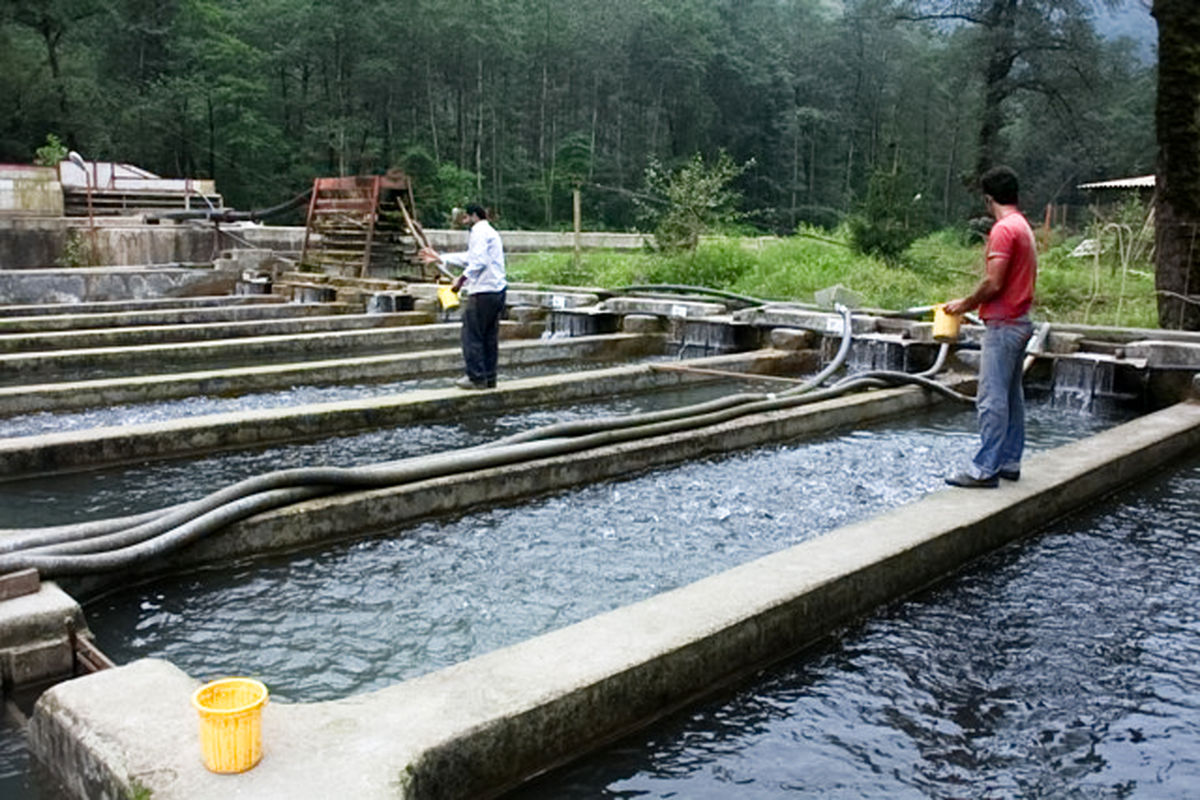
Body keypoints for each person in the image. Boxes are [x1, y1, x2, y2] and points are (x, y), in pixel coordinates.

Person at [943, 166, 1037, 488]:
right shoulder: (1023, 226)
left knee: (991, 398)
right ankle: (1010, 461)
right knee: (1012, 397)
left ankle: (985, 469)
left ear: (988, 199)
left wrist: (965, 304)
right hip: (1021, 321)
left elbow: (994, 282)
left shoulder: (1003, 230)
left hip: (1004, 324)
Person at [420, 204, 507, 390]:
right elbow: (471, 256)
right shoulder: (490, 232)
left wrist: (461, 280)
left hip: (483, 292)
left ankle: (475, 377)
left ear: (474, 216)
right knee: (489, 337)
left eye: (466, 217)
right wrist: (441, 258)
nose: (464, 221)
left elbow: (478, 262)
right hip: (496, 291)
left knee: (472, 335)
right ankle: (489, 377)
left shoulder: (478, 231)